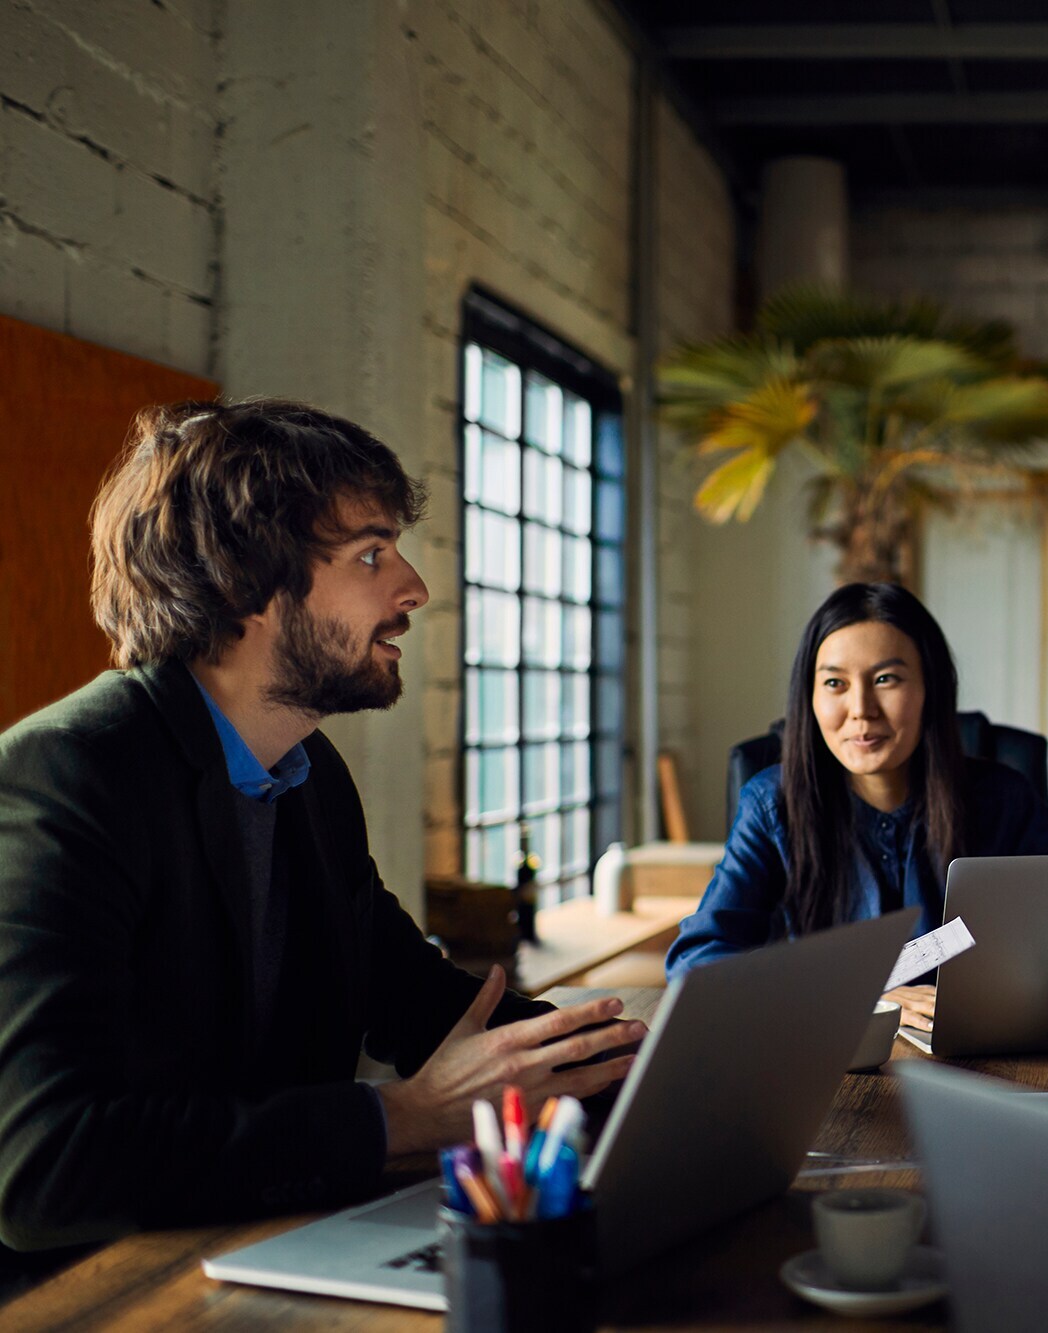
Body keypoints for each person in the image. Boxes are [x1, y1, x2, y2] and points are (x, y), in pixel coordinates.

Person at [0, 401, 644, 1259]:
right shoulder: (67, 775)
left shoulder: (308, 774)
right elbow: (43, 1167)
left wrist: (635, 1065)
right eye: (371, 554)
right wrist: (402, 1116)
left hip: (263, 1244)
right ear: (243, 583)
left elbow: (416, 995)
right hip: (98, 1289)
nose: (413, 589)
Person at [665, 583, 1048, 1031]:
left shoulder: (1003, 798)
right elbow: (695, 961)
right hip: (828, 1048)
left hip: (975, 1042)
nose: (861, 709)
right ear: (809, 698)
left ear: (930, 689)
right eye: (834, 683)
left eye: (885, 679)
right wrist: (853, 993)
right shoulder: (772, 804)